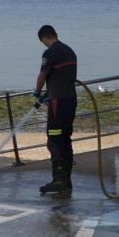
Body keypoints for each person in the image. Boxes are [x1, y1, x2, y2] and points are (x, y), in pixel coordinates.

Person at [33, 25, 77, 194]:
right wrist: (47, 94)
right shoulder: (69, 51)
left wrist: (37, 92)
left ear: (44, 38)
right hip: (70, 101)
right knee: (66, 139)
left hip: (58, 104)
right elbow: (62, 78)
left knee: (55, 140)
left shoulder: (50, 53)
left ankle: (58, 181)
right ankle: (66, 180)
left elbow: (42, 76)